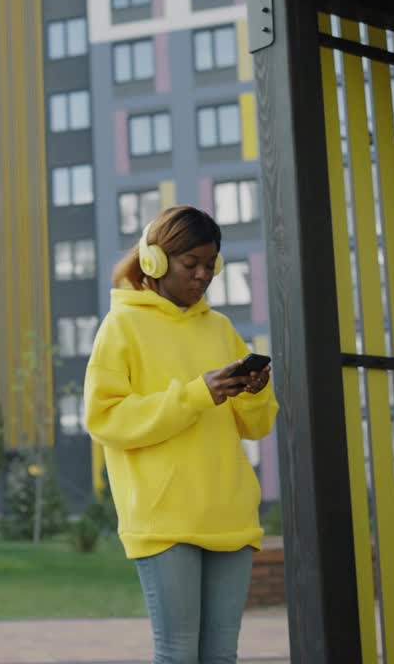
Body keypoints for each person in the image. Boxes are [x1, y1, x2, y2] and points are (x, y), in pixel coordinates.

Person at [83, 206, 278, 664]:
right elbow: (104, 418)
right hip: (163, 519)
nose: (202, 276)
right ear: (154, 261)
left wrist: (253, 392)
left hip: (229, 513)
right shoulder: (122, 326)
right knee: (177, 652)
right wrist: (193, 396)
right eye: (191, 264)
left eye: (210, 265)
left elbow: (257, 425)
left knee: (221, 654)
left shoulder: (221, 329)